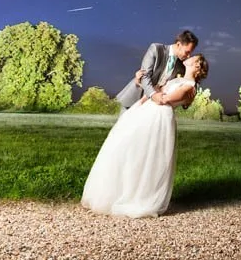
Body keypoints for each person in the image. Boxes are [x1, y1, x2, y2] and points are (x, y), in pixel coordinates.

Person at [81, 54, 209, 218]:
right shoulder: (177, 80)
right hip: (147, 111)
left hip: (159, 118)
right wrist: (146, 97)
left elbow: (166, 99)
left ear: (197, 65)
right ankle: (114, 193)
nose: (189, 57)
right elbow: (156, 93)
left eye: (194, 58)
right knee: (126, 148)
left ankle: (138, 196)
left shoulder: (189, 86)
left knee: (145, 155)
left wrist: (156, 93)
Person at [115, 30, 198, 112]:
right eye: (187, 52)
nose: (188, 56)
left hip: (153, 107)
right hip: (136, 96)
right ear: (178, 44)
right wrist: (153, 95)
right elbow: (145, 75)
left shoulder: (181, 66)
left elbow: (183, 85)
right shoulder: (156, 49)